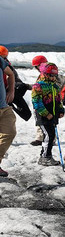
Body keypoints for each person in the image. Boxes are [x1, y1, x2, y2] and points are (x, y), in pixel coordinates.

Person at [31, 63, 65, 166]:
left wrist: (61, 110)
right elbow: (36, 102)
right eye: (50, 75)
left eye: (55, 76)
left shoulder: (54, 86)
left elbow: (58, 100)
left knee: (51, 135)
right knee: (48, 135)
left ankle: (45, 155)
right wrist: (46, 114)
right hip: (43, 116)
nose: (53, 77)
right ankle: (45, 157)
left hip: (53, 114)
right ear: (44, 74)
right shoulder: (38, 86)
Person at [0, 46, 16, 177]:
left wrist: (11, 91)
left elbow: (10, 74)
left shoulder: (0, 61)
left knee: (9, 133)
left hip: (3, 107)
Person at [29, 55, 47, 146]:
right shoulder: (47, 74)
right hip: (44, 101)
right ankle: (45, 137)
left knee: (41, 120)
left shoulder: (45, 75)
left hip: (42, 101)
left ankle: (43, 138)